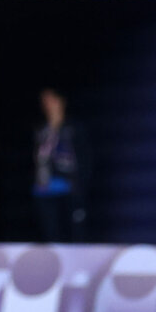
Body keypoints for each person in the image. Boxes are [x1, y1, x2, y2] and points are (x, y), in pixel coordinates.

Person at [32, 88, 90, 242]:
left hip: (69, 189)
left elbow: (85, 159)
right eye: (44, 101)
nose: (47, 104)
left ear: (61, 101)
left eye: (51, 99)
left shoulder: (74, 128)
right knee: (50, 235)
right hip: (45, 190)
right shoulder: (40, 130)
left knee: (74, 234)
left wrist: (79, 185)